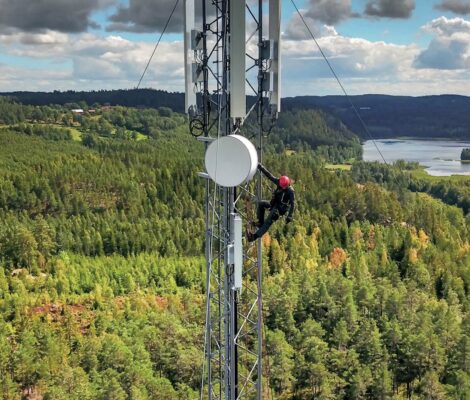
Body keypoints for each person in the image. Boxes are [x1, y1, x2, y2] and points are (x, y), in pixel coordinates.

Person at [247, 163, 295, 242]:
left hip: (279, 210)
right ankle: (260, 222)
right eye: (281, 186)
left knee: (268, 222)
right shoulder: (279, 182)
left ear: (287, 185)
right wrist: (260, 167)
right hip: (274, 204)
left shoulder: (290, 191)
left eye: (284, 187)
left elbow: (293, 204)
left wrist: (289, 216)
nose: (282, 188)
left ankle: (253, 237)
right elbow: (269, 175)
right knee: (261, 204)